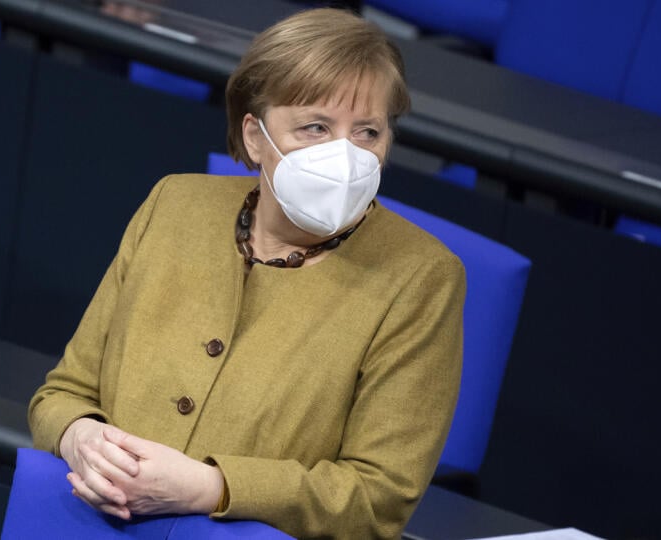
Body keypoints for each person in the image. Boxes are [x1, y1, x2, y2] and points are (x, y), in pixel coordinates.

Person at [28, 7, 465, 539]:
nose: (345, 155)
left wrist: (212, 487)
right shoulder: (174, 205)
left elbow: (378, 498)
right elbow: (63, 393)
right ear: (255, 137)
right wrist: (79, 437)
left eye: (368, 132)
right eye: (316, 127)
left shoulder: (422, 278)